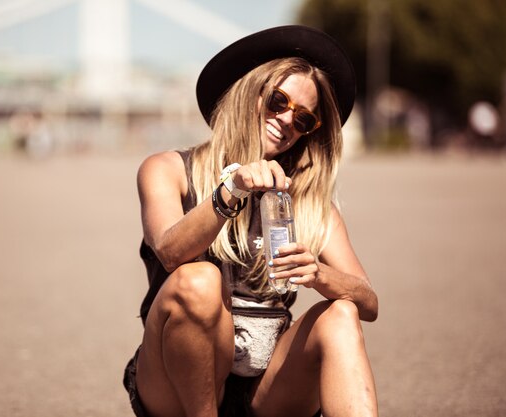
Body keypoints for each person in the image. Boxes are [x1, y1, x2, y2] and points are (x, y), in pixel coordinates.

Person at [123, 25, 379, 417]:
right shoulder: (169, 169)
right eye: (279, 101)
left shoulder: (309, 202)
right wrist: (232, 190)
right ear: (250, 92)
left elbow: (368, 301)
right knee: (199, 280)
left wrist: (319, 274)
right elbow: (171, 252)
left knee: (341, 313)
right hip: (180, 382)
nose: (287, 121)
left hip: (268, 384)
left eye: (304, 119)